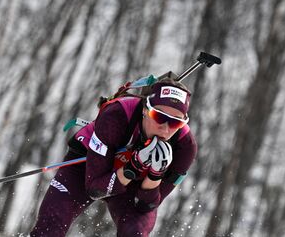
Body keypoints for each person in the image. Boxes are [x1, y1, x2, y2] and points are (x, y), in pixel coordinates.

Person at [30, 79, 197, 236]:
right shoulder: (116, 115)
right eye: (159, 117)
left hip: (134, 185)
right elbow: (94, 188)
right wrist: (133, 167)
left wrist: (155, 175)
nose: (165, 129)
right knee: (50, 225)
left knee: (135, 232)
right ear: (145, 109)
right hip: (87, 166)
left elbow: (145, 205)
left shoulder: (185, 148)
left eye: (176, 122)